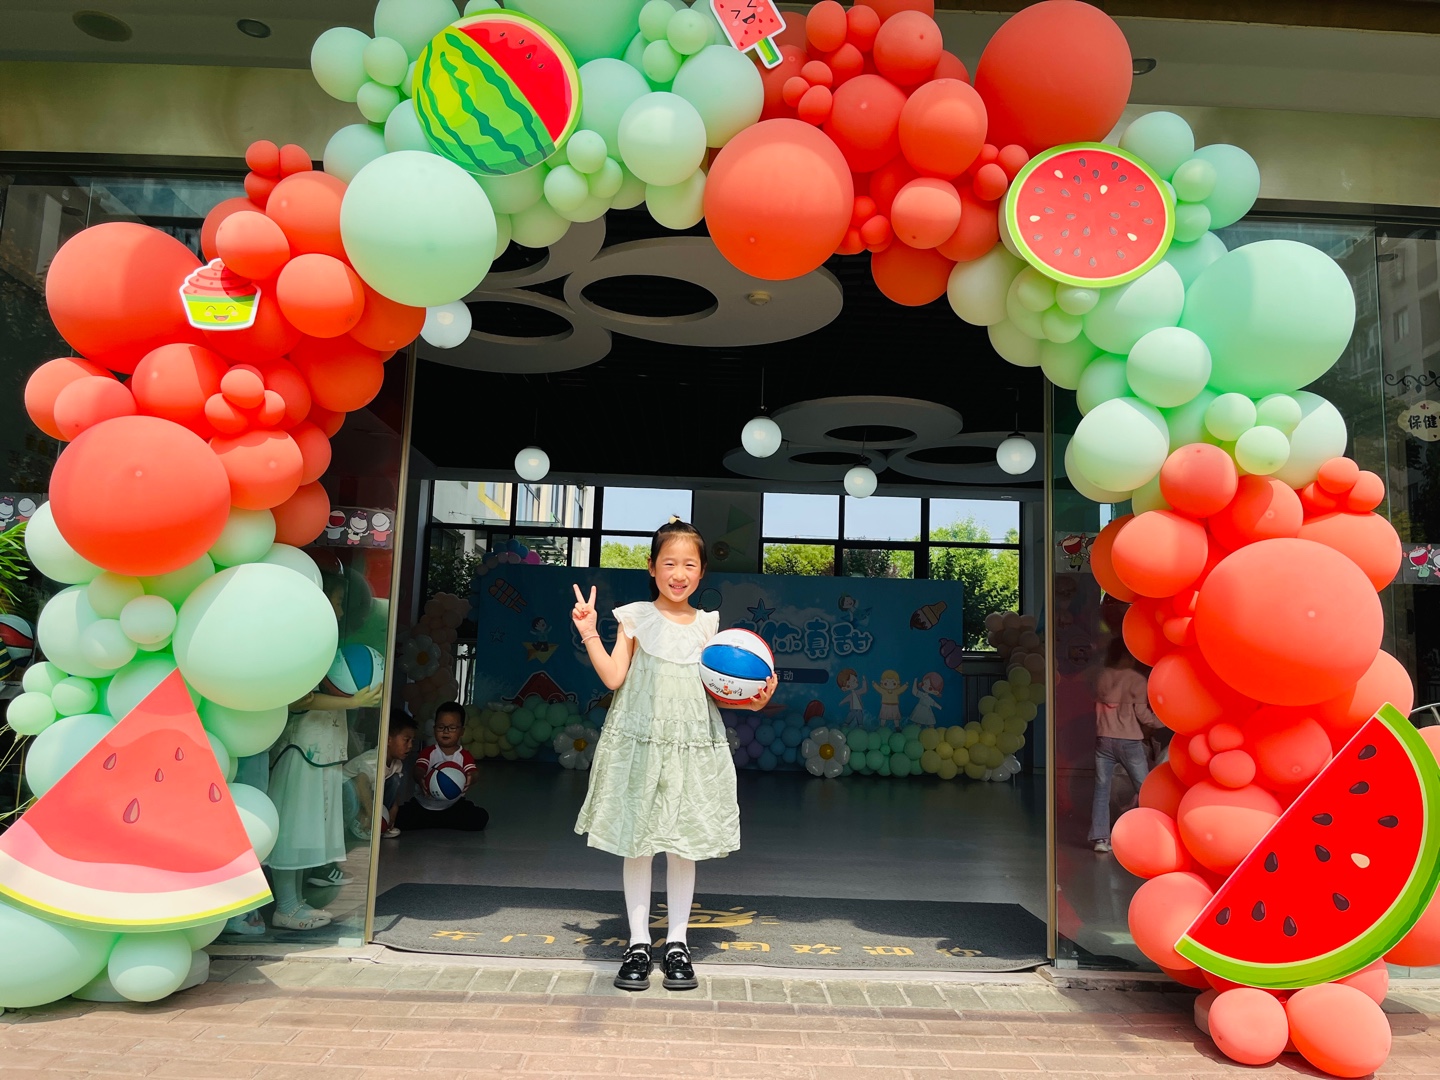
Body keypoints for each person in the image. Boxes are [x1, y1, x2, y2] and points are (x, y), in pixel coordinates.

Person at [571, 520, 776, 993]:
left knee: (682, 844)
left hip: (691, 745)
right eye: (669, 563)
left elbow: (718, 691)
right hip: (641, 743)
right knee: (639, 842)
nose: (678, 573)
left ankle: (678, 943)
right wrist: (589, 632)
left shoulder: (710, 627)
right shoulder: (635, 617)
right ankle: (638, 943)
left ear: (701, 572)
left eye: (689, 564)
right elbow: (614, 677)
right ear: (651, 567)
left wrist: (756, 701)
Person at [1089, 637, 1161, 854]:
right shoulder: (1136, 680)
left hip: (1104, 740)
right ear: (1129, 656)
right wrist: (1165, 721)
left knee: (1101, 791)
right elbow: (1143, 715)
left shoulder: (1101, 677)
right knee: (1145, 790)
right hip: (1129, 742)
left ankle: (1100, 839)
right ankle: (1152, 834)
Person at [395, 701, 489, 832]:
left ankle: (435, 821)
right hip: (424, 805)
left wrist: (470, 777)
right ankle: (440, 821)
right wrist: (421, 778)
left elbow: (473, 772)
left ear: (462, 731)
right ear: (434, 729)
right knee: (399, 818)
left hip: (453, 805)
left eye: (452, 728)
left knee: (480, 818)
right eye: (440, 727)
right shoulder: (428, 752)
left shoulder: (464, 756)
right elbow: (419, 768)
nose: (446, 731)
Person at [343, 711, 416, 841]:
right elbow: (360, 783)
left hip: (365, 796)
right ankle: (366, 822)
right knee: (358, 786)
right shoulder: (374, 759)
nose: (410, 746)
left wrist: (393, 810)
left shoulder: (397, 764)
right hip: (346, 797)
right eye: (406, 740)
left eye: (412, 741)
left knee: (394, 780)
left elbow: (393, 790)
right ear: (388, 739)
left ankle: (382, 825)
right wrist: (371, 814)